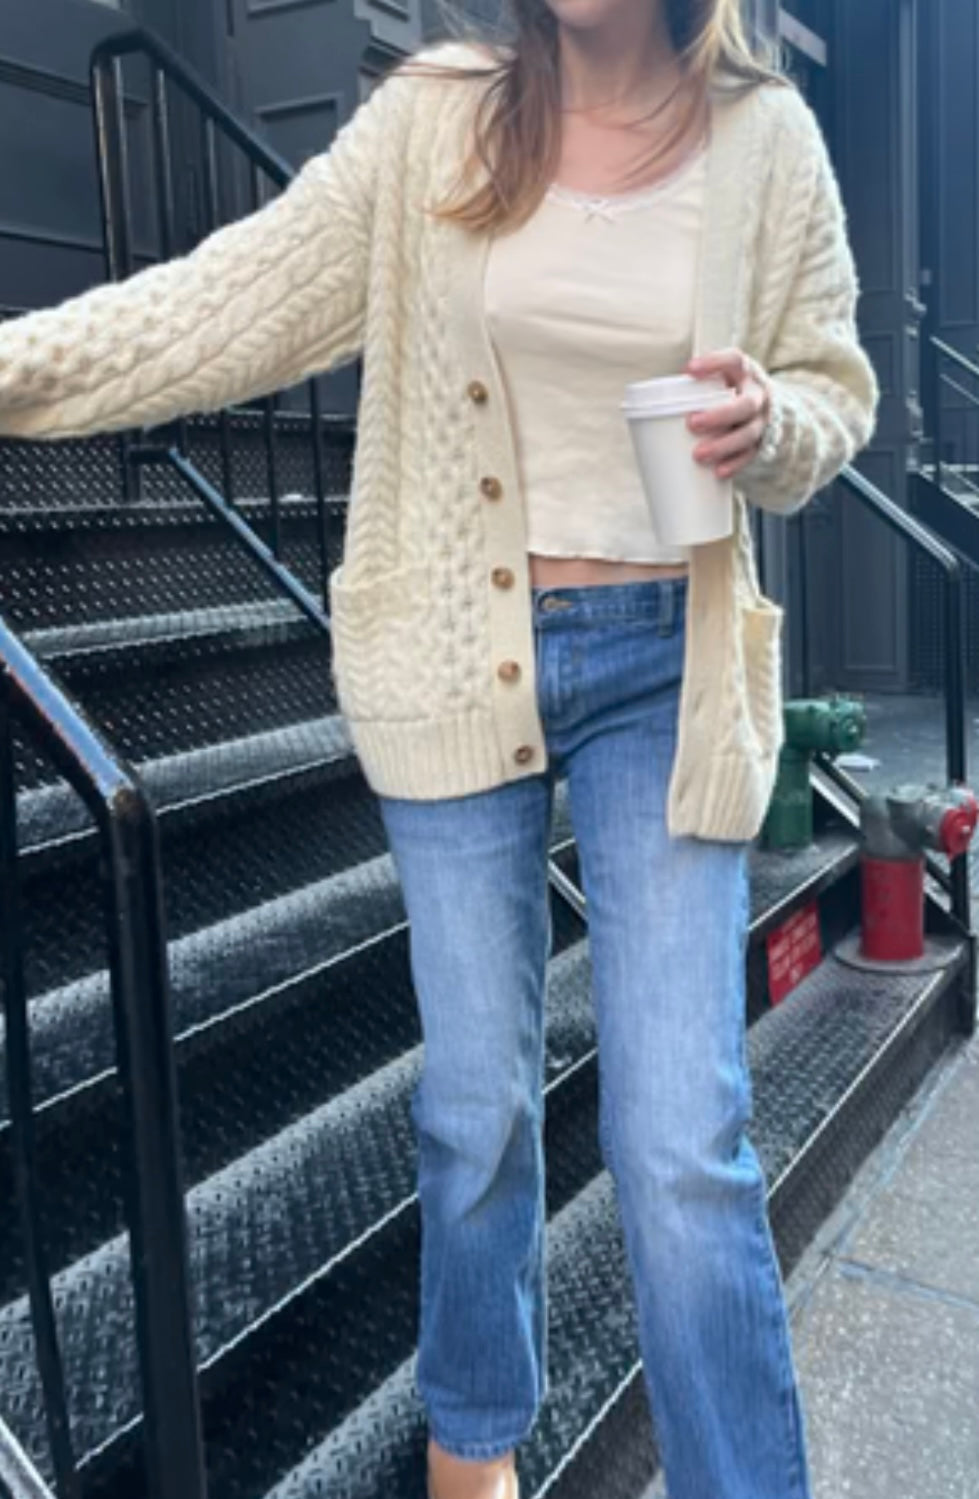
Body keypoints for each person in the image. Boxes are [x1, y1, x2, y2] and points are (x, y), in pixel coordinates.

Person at [0, 0, 878, 1494]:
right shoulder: (436, 121)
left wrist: (771, 427)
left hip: (666, 666)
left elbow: (833, 389)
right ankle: (472, 1453)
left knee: (681, 1140)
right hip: (458, 647)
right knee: (477, 1106)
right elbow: (223, 303)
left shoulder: (767, 136)